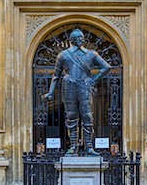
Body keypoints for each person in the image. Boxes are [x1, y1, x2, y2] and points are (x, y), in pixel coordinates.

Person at [44, 28, 111, 156]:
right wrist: (51, 92)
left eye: (81, 37)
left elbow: (107, 67)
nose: (80, 39)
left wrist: (93, 80)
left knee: (87, 116)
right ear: (71, 40)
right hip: (69, 85)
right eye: (77, 37)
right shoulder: (63, 55)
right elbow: (56, 75)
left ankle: (89, 147)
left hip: (85, 85)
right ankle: (73, 146)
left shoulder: (91, 54)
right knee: (71, 116)